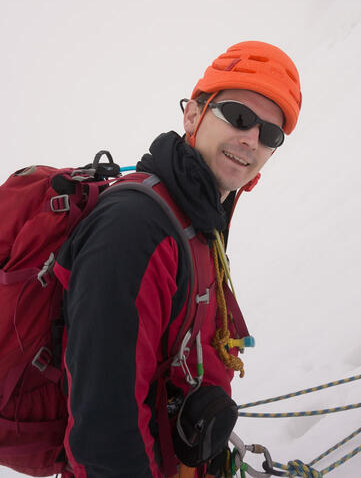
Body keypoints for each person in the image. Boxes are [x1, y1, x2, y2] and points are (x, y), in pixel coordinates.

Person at [55, 40, 302, 478]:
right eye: (240, 117)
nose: (251, 139)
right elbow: (105, 435)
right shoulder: (135, 229)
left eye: (270, 134)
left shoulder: (200, 216)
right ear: (193, 115)